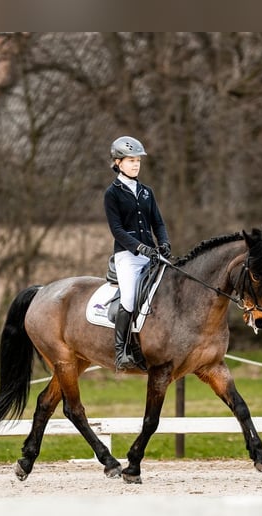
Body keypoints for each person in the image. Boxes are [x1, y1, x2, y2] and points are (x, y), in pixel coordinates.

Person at [104, 136, 171, 371]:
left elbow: (159, 223)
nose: (136, 165)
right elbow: (117, 230)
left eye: (138, 161)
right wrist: (138, 247)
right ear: (118, 163)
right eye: (131, 160)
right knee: (130, 297)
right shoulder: (112, 194)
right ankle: (121, 351)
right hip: (127, 256)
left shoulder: (146, 192)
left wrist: (163, 243)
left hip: (151, 254)